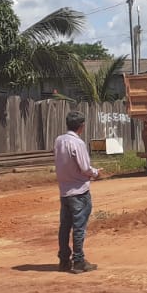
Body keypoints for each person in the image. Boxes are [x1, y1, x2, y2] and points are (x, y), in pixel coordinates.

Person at [54, 110, 101, 273]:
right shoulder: (78, 143)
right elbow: (84, 168)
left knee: (65, 227)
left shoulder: (59, 140)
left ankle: (63, 261)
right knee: (79, 227)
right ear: (81, 126)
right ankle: (79, 261)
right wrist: (95, 173)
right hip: (79, 191)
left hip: (64, 191)